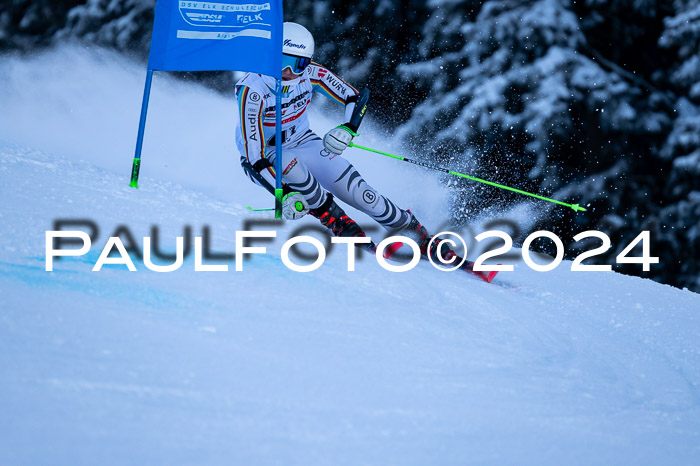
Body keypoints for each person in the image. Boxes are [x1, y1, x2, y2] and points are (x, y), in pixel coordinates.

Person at [235, 22, 445, 259]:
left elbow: (355, 96)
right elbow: (255, 157)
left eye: (296, 64)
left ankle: (413, 231)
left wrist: (348, 128)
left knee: (358, 191)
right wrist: (283, 194)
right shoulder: (252, 89)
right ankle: (341, 225)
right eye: (280, 60)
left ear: (306, 62)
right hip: (268, 153)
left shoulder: (311, 74)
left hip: (303, 140)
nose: (287, 72)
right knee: (301, 178)